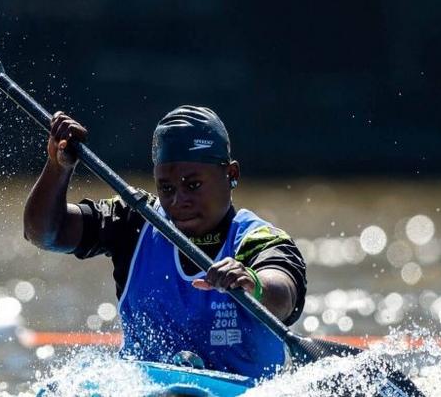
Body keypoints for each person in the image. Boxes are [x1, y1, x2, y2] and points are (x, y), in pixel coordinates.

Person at [23, 105, 306, 379]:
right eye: (166, 188)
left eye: (192, 185)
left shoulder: (259, 240)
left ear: (231, 175)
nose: (178, 201)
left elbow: (283, 297)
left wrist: (252, 283)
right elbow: (45, 233)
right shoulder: (133, 220)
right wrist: (57, 167)